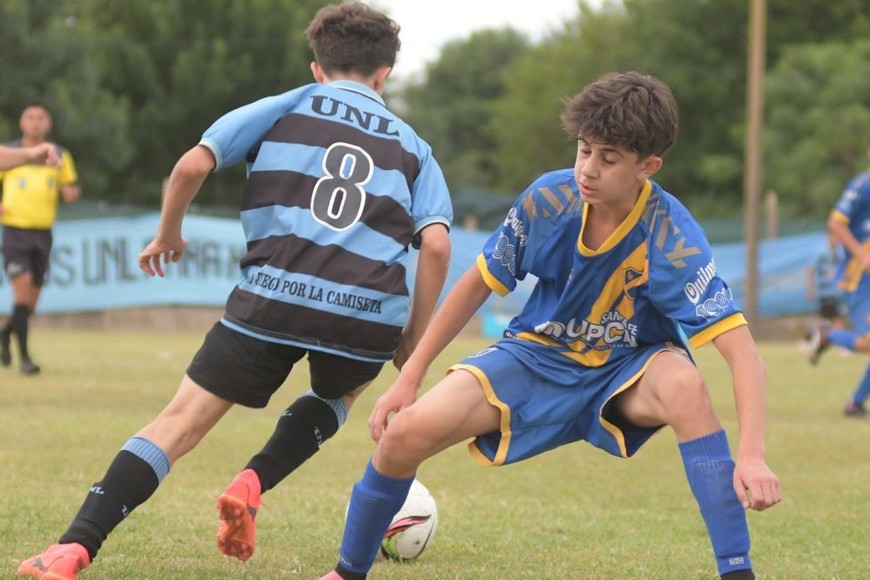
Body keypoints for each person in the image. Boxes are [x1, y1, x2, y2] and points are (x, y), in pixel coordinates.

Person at [17, 2, 451, 579]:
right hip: (365, 313)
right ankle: (254, 479)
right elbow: (436, 247)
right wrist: (413, 342)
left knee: (179, 423)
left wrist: (167, 234)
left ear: (318, 67)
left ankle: (73, 547)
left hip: (272, 296)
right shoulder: (414, 146)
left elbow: (191, 167)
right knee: (339, 395)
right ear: (384, 75)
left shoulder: (287, 104)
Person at [320, 72, 781, 580]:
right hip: (536, 356)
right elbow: (478, 282)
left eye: (609, 159)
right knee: (404, 434)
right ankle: (347, 572)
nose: (588, 169)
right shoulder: (549, 199)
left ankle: (737, 572)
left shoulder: (672, 235)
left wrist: (752, 455)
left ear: (647, 167)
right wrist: (409, 377)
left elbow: (742, 352)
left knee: (686, 386)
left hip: (626, 370)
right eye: (584, 150)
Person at [0, 102, 80, 375]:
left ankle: (4, 333)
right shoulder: (10, 154)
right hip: (15, 231)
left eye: (40, 118)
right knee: (21, 294)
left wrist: (70, 192)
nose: (35, 122)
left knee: (30, 303)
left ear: (48, 123)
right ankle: (25, 359)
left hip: (43, 233)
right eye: (30, 117)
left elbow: (70, 187)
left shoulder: (58, 155)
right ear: (21, 122)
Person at [805, 146, 870, 417]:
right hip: (861, 280)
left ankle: (855, 404)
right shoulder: (863, 185)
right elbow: (835, 223)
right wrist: (861, 255)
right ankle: (829, 336)